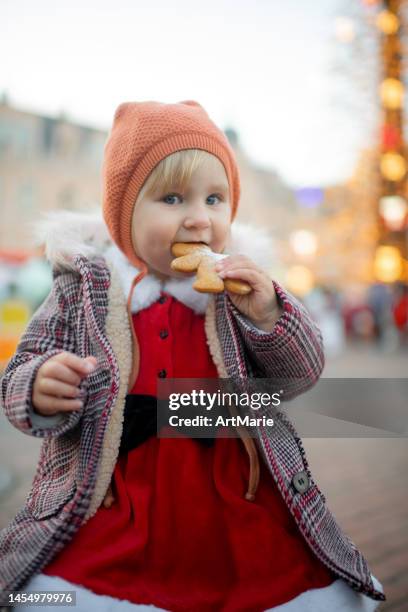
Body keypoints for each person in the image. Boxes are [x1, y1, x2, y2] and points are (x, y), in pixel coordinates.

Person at [0, 100, 385, 611]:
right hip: (115, 495)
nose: (199, 219)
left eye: (215, 198)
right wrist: (39, 386)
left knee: (257, 588)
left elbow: (301, 374)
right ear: (123, 215)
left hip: (230, 493)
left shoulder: (241, 291)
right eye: (174, 198)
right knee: (75, 594)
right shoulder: (83, 291)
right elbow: (18, 376)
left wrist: (268, 314)